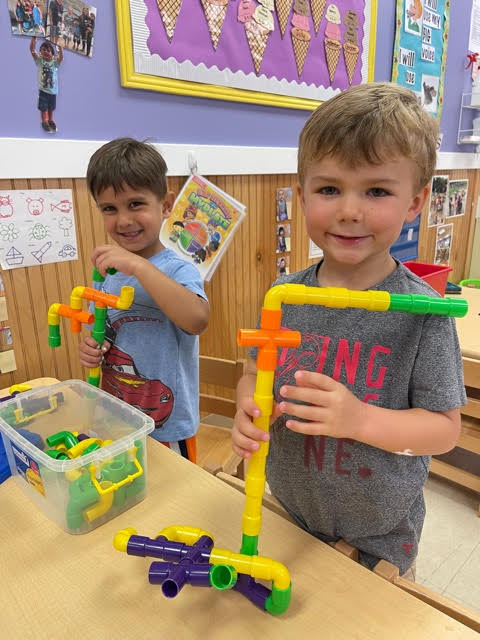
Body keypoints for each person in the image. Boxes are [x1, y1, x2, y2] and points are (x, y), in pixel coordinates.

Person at [232, 82, 466, 579]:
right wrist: (249, 406)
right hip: (290, 513)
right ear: (301, 196)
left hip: (380, 539)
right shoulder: (284, 295)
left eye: (376, 191)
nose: (349, 211)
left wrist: (359, 419)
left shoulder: (424, 312)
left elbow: (445, 430)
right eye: (329, 189)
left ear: (415, 202)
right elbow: (254, 373)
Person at [78, 138, 209, 462]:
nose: (123, 220)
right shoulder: (107, 273)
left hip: (167, 428)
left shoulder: (178, 269)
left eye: (135, 204)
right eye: (109, 208)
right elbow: (100, 331)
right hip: (116, 419)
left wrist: (139, 267)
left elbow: (197, 320)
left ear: (165, 205)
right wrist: (91, 347)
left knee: (175, 492)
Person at [30, 36, 63, 132]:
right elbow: (32, 50)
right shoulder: (40, 61)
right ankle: (44, 121)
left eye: (48, 50)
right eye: (43, 50)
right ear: (40, 53)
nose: (46, 51)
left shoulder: (55, 63)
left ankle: (50, 120)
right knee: (43, 108)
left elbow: (61, 57)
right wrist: (34, 39)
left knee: (51, 108)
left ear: (52, 54)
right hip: (43, 91)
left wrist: (60, 46)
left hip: (53, 91)